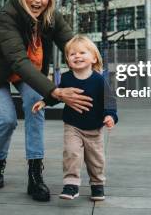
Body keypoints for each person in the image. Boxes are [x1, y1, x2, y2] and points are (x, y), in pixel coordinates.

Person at [0, 0, 93, 202]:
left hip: (27, 69)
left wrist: (94, 71)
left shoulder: (51, 17)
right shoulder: (6, 18)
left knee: (35, 106)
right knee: (7, 118)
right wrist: (54, 90)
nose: (38, 0)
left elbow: (73, 46)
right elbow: (17, 60)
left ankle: (35, 175)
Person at [32, 35, 118, 201]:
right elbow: (58, 94)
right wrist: (44, 101)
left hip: (94, 128)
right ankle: (71, 185)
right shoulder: (66, 78)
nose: (77, 56)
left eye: (82, 52)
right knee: (71, 153)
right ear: (68, 60)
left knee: (96, 159)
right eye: (72, 54)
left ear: (93, 57)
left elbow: (110, 100)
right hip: (73, 126)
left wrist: (110, 115)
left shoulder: (99, 80)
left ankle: (97, 185)